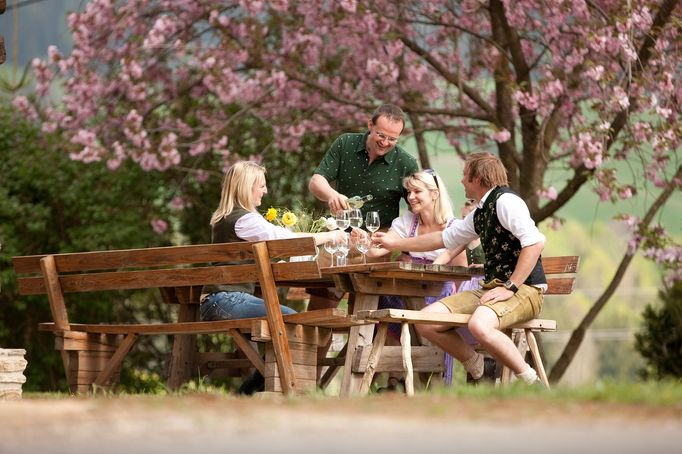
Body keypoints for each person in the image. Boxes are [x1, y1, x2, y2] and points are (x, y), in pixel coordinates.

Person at [373, 152, 547, 387]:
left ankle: (530, 382)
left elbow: (535, 243)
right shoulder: (481, 212)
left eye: (465, 175)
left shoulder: (507, 202)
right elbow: (443, 239)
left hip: (526, 290)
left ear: (477, 178)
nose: (461, 181)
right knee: (425, 321)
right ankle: (478, 366)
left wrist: (511, 286)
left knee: (479, 325)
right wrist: (395, 243)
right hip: (493, 289)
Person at [201, 161, 343, 393]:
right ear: (247, 187)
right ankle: (272, 391)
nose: (265, 191)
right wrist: (331, 235)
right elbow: (287, 240)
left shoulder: (226, 218)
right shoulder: (244, 219)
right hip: (226, 300)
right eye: (261, 186)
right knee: (294, 320)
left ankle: (256, 390)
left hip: (218, 300)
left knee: (287, 321)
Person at [307, 103, 419, 308]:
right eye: (381, 135)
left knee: (364, 315)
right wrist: (331, 194)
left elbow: (417, 209)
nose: (385, 142)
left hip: (376, 245)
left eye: (392, 139)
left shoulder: (406, 163)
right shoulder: (345, 143)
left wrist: (405, 246)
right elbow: (316, 181)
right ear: (370, 125)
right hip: (338, 240)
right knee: (319, 311)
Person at [364, 169, 467, 391]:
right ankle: (394, 380)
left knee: (398, 303)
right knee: (385, 300)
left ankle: (412, 380)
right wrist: (367, 241)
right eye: (409, 191)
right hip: (405, 291)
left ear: (435, 194)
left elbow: (462, 274)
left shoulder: (454, 228)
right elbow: (378, 251)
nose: (410, 197)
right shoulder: (407, 222)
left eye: (417, 191)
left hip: (437, 294)